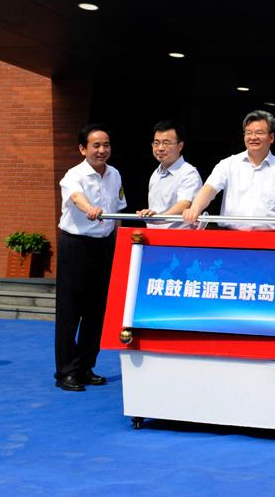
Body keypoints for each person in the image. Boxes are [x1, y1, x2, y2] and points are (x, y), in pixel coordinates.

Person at [55, 123, 125, 392]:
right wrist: (89, 209)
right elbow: (76, 198)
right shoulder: (74, 175)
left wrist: (118, 244)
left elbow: (118, 210)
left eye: (106, 145)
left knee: (97, 312)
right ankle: (65, 371)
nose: (102, 150)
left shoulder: (114, 174)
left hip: (104, 246)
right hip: (76, 246)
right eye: (96, 145)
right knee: (70, 312)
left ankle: (85, 366)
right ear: (83, 149)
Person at [182, 110, 275, 230]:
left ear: (271, 137)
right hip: (231, 236)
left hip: (270, 237)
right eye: (249, 133)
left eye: (259, 133)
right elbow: (210, 189)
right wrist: (195, 208)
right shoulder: (228, 164)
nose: (253, 137)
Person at [136, 120, 202, 229]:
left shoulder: (189, 173)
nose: (160, 148)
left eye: (166, 143)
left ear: (180, 146)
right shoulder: (155, 174)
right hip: (152, 235)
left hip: (177, 237)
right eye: (156, 143)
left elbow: (185, 205)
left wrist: (159, 218)